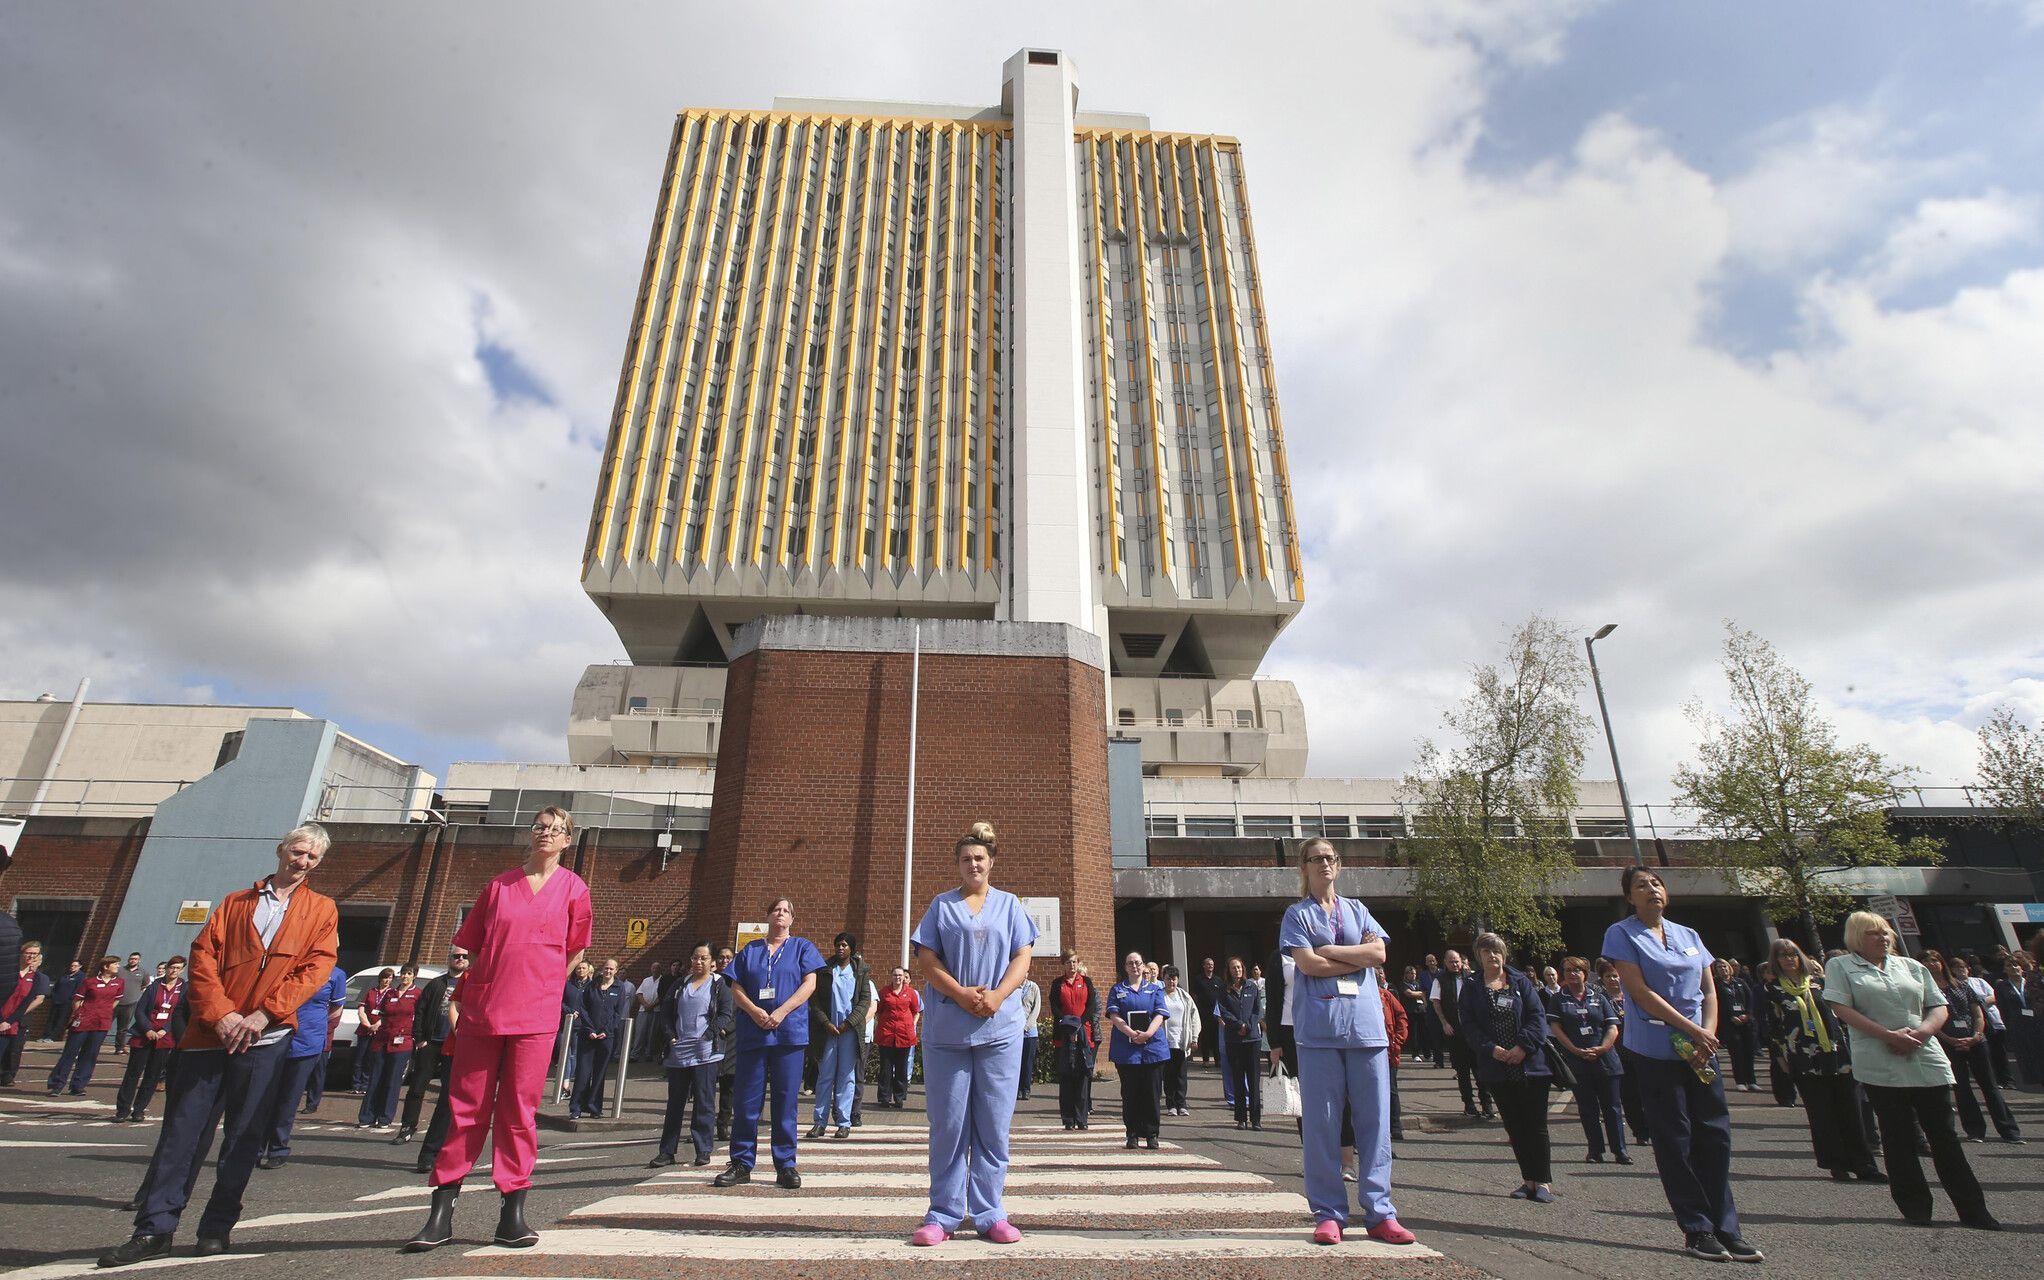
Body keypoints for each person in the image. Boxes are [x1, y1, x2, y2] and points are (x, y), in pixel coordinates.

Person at [97, 824, 341, 1267]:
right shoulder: (235, 902)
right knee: (182, 1136)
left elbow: (315, 969)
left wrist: (263, 1014)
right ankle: (155, 1228)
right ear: (280, 849)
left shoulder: (322, 910)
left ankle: (217, 1226)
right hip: (210, 1035)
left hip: (266, 1037)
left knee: (244, 1137)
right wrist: (223, 1014)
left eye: (312, 857)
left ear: (318, 864)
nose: (302, 861)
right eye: (298, 851)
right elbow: (203, 958)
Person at [403, 806, 592, 1254]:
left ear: (568, 840)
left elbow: (575, 952)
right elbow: (470, 945)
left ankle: (512, 1214)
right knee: (466, 1107)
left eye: (556, 829)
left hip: (536, 1015)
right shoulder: (498, 886)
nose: (546, 833)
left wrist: (548, 988)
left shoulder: (575, 890)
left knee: (518, 1111)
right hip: (486, 1010)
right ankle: (441, 1211)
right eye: (540, 827)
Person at [1603, 866, 1761, 1263]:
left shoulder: (1689, 935)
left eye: (1656, 883)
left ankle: (1728, 1227)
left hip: (1700, 1050)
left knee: (1715, 1135)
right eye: (1642, 885)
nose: (1652, 889)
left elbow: (1709, 989)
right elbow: (1639, 992)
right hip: (1658, 1049)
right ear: (1629, 897)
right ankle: (1697, 1228)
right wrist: (1693, 1029)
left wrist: (1707, 1033)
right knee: (1676, 1138)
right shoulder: (1621, 934)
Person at [906, 821, 1038, 1246]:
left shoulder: (1011, 906)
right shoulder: (941, 906)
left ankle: (989, 1211)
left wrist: (998, 996)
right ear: (958, 865)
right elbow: (927, 958)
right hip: (948, 1028)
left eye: (979, 858)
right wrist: (961, 993)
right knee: (948, 1123)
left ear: (991, 862)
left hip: (999, 1029)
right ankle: (942, 1213)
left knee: (993, 1124)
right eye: (966, 859)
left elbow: (1023, 954)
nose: (973, 864)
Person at [1279, 836, 1415, 1247]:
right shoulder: (1296, 915)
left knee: (1375, 1123)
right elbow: (1308, 963)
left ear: (1338, 865)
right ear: (1302, 868)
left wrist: (1335, 950)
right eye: (1315, 858)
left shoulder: (1359, 910)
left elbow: (1379, 956)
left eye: (1329, 857)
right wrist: (1353, 957)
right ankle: (1329, 1213)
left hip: (1367, 1031)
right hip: (1319, 1035)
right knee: (1321, 1125)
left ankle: (1380, 1212)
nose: (1323, 863)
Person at [1823, 912, 1998, 1230]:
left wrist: (1921, 1033)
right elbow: (1841, 1008)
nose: (1884, 938)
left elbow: (1938, 1005)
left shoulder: (1912, 967)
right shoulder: (1841, 966)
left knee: (1944, 1136)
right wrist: (1888, 1035)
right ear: (1857, 937)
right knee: (1897, 1136)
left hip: (1924, 1056)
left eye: (1886, 932)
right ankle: (1916, 1206)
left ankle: (1973, 1209)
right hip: (1880, 1060)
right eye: (1874, 933)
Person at [712, 897, 824, 1191]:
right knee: (747, 1100)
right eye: (776, 909)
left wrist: (781, 1012)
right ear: (768, 916)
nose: (781, 914)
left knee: (785, 1101)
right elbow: (736, 986)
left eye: (787, 910)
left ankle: (785, 1164)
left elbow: (809, 984)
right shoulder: (750, 950)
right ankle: (741, 1162)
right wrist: (755, 1011)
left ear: (792, 919)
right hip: (754, 1032)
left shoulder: (802, 947)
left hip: (789, 1034)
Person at [1758, 938, 1878, 1181]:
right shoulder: (1772, 990)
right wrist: (1781, 1058)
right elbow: (1773, 1027)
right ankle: (1836, 1163)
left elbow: (1842, 1015)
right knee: (1821, 1113)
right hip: (1803, 1057)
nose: (1789, 959)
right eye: (1783, 955)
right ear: (1776, 960)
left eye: (1793, 954)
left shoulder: (1820, 983)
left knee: (1851, 1110)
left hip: (1836, 1052)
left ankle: (1864, 1163)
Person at [1459, 932, 1554, 1201]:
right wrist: (1492, 1049)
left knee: (1536, 1125)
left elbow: (1537, 1018)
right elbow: (1468, 1024)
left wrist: (1522, 1047)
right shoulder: (1472, 986)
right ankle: (1528, 1180)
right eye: (1486, 951)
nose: (1492, 955)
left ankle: (1544, 1181)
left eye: (1497, 950)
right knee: (1515, 1125)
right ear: (1478, 957)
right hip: (1497, 1066)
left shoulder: (1520, 982)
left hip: (1529, 1063)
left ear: (1504, 954)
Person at [649, 941, 732, 1168]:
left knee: (704, 1102)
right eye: (695, 957)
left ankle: (703, 1149)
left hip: (706, 1051)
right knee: (675, 1103)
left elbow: (726, 1013)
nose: (698, 961)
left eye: (703, 958)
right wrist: (670, 1036)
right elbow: (665, 1013)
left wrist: (710, 1034)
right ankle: (667, 1151)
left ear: (713, 963)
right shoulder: (679, 984)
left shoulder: (718, 985)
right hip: (680, 1050)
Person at [258, 960, 346, 1167]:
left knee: (288, 1099)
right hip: (275, 1036)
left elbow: (336, 1008)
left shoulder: (335, 974)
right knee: (261, 1096)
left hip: (307, 1040)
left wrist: (319, 1028)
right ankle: (254, 1147)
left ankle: (278, 1148)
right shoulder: (287, 964)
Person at [1926, 951, 2021, 1144]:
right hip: (1948, 1042)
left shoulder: (1962, 986)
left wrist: (1977, 1035)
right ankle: (1975, 1130)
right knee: (1961, 1087)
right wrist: (1948, 1038)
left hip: (1976, 1039)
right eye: (1926, 961)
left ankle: (2009, 1130)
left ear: (1942, 962)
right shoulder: (1924, 991)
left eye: (1935, 960)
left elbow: (1977, 1013)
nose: (1931, 964)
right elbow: (1926, 1017)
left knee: (1990, 1086)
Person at [1547, 956, 1627, 1165]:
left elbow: (1612, 1026)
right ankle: (1595, 1150)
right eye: (1567, 970)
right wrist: (1573, 1049)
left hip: (1605, 1059)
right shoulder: (1558, 999)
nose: (1572, 974)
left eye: (1576, 970)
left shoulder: (1598, 997)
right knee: (1588, 1108)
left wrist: (1603, 1048)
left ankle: (1620, 1150)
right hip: (1578, 1060)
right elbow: (1556, 1028)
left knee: (1612, 1107)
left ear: (1585, 973)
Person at [395, 947, 468, 1144]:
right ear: (449, 959)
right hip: (432, 1042)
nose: (460, 959)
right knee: (417, 1087)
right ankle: (407, 1126)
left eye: (464, 956)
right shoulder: (436, 984)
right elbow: (420, 1011)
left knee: (447, 1092)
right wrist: (420, 1039)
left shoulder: (469, 983)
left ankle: (439, 1135)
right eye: (456, 956)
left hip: (453, 1045)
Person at [807, 933, 870, 1140]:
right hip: (828, 1032)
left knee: (846, 1077)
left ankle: (843, 1122)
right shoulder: (825, 970)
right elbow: (814, 1001)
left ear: (852, 948)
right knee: (825, 1076)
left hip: (849, 1032)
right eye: (837, 945)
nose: (840, 948)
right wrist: (825, 1022)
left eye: (844, 945)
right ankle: (820, 1122)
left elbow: (864, 1002)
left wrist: (848, 1023)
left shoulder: (860, 971)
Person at [1106, 951, 1170, 1151]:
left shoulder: (1155, 989)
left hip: (1152, 1048)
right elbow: (1114, 1015)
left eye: (1138, 963)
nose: (1134, 966)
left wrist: (1148, 1034)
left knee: (1152, 1093)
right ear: (1125, 967)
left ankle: (1151, 1134)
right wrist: (1130, 1033)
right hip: (1127, 1050)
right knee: (1130, 1093)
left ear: (1144, 967)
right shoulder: (1117, 989)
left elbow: (1160, 1014)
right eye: (1130, 963)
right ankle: (1132, 1134)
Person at [113, 956, 187, 1123]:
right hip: (144, 1035)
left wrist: (165, 1029)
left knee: (152, 1076)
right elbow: (140, 1010)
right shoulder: (155, 986)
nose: (173, 971)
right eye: (171, 967)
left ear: (182, 970)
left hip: (165, 1037)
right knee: (133, 1073)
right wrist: (147, 1029)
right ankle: (123, 1109)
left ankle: (139, 1109)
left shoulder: (184, 989)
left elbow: (180, 1012)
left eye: (177, 968)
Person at [48, 954, 125, 1094]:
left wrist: (105, 1011)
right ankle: (57, 1084)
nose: (118, 966)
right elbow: (77, 1000)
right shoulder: (90, 982)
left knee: (90, 1054)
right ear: (106, 966)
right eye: (115, 964)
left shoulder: (119, 982)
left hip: (102, 1022)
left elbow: (116, 1000)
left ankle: (78, 1085)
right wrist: (81, 1013)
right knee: (70, 1052)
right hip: (84, 1020)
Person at [569, 958, 634, 1120]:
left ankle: (594, 1107)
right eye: (606, 968)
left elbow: (618, 1013)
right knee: (583, 1073)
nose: (608, 971)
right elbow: (583, 1008)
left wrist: (606, 1030)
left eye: (612, 969)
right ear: (601, 969)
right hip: (588, 1035)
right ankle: (576, 1107)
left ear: (616, 971)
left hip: (607, 1037)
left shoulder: (619, 988)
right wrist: (590, 1029)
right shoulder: (592, 985)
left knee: (599, 1074)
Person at [1430, 949, 1491, 1119]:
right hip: (1455, 1031)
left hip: (1474, 1031)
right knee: (1462, 1071)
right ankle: (1469, 1105)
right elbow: (1436, 1002)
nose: (1455, 965)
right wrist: (1444, 1023)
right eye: (1451, 962)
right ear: (1445, 963)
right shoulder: (1440, 980)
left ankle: (1487, 1104)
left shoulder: (1472, 978)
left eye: (1457, 961)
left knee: (1480, 1070)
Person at [359, 964, 421, 1128]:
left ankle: (385, 1118)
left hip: (402, 1042)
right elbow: (381, 1014)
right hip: (382, 1040)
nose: (405, 976)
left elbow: (420, 1017)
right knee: (375, 1079)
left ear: (414, 976)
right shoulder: (390, 993)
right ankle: (367, 1117)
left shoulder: (416, 994)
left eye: (409, 974)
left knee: (392, 1081)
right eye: (403, 973)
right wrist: (374, 1025)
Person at [1599, 962, 1649, 1144]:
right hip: (1618, 1053)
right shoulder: (1600, 999)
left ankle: (1653, 1127)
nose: (1613, 979)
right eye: (1608, 976)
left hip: (1641, 1049)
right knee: (1629, 1096)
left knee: (1648, 1092)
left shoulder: (1632, 995)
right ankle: (1640, 1132)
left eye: (1615, 975)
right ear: (1602, 980)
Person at [1049, 951, 1099, 1130]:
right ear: (1064, 964)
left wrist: (1078, 1025)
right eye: (1069, 962)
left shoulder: (1086, 982)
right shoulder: (1057, 984)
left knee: (1083, 1077)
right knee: (1066, 1077)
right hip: (1063, 1035)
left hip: (1084, 1035)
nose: (1072, 965)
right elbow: (1055, 1007)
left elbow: (1091, 1006)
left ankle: (1081, 1118)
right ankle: (1068, 1119)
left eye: (1075, 962)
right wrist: (1068, 1026)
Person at [1214, 956, 1263, 1128]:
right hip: (1234, 1039)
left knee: (1254, 1080)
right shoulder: (1223, 989)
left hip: (1252, 1039)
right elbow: (1223, 1010)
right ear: (1229, 970)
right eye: (1234, 968)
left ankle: (1256, 1119)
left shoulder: (1252, 986)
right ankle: (1241, 1118)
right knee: (1238, 1079)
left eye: (1239, 967)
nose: (1237, 970)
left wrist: (1248, 1026)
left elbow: (1258, 1010)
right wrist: (1238, 1025)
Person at [0, 939, 51, 1086]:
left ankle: (7, 1076)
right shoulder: (8, 974)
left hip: (18, 1020)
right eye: (28, 953)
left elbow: (35, 999)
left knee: (14, 1050)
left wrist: (11, 1019)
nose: (31, 956)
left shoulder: (38, 978)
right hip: (2, 1015)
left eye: (35, 954)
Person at [1994, 954, 2044, 1089]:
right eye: (2009, 965)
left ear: (2022, 968)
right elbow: (2002, 1009)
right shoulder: (2002, 986)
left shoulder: (2031, 982)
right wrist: (2009, 1026)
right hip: (2018, 1025)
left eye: (2016, 965)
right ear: (2005, 969)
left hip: (2038, 1023)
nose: (2014, 967)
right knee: (2029, 1055)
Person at [874, 966, 922, 1108]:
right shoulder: (884, 992)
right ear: (891, 976)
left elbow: (916, 1011)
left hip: (904, 1035)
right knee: (886, 1067)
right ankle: (884, 1097)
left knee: (901, 1068)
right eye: (895, 975)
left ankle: (899, 1097)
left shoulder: (911, 993)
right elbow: (878, 1010)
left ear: (904, 977)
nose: (898, 978)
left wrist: (911, 1025)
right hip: (887, 1035)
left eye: (900, 975)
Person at [1158, 965, 1200, 1116]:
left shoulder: (1184, 996)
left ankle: (1182, 1104)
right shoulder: (1159, 995)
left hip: (1182, 1041)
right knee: (1168, 1075)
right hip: (1165, 1041)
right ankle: (1171, 1105)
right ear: (1163, 980)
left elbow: (1194, 1017)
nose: (1171, 982)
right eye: (1168, 979)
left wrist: (1194, 1037)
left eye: (1174, 979)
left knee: (1181, 1075)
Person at [1715, 959, 1759, 1092]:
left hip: (1746, 1021)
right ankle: (1740, 1080)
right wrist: (1730, 1016)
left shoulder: (1740, 982)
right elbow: (1716, 1004)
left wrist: (1748, 1014)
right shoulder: (1716, 985)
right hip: (1730, 1023)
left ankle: (1751, 1080)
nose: (1723, 969)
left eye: (1725, 966)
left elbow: (1750, 999)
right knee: (1736, 1052)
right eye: (1720, 967)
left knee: (1749, 1051)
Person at [1377, 966, 1407, 1140]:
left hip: (1389, 1051)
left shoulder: (1386, 995)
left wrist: (1398, 1040)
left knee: (1391, 1090)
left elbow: (1401, 1016)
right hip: (1368, 1052)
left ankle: (1395, 1126)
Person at [353, 969, 394, 1094]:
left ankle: (366, 1084)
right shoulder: (371, 991)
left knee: (371, 1059)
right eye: (385, 977)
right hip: (365, 1029)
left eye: (390, 978)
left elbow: (390, 1012)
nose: (387, 980)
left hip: (379, 1030)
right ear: (380, 978)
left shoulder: (392, 993)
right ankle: (356, 1084)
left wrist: (376, 1025)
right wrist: (367, 1024)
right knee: (359, 1057)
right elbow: (361, 1008)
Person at [632, 958, 665, 1062]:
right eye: (653, 967)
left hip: (656, 1010)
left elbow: (663, 995)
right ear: (651, 969)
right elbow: (639, 993)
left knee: (652, 1034)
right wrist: (645, 1005)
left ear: (660, 969)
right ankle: (635, 1054)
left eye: (657, 968)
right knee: (639, 1033)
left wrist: (653, 1005)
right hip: (643, 1010)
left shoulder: (663, 980)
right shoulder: (646, 980)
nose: (655, 969)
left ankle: (648, 1054)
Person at [1016, 971, 1043, 1101]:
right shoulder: (1013, 987)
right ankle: (1016, 1089)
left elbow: (1036, 1009)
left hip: (1029, 1032)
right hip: (1014, 1032)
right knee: (1016, 1062)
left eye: (1026, 972)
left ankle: (1026, 1089)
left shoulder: (1033, 987)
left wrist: (1026, 1026)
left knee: (1027, 1062)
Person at [111, 952, 144, 1054]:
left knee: (123, 1028)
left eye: (135, 959)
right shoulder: (119, 970)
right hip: (114, 1002)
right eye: (131, 958)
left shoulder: (143, 972)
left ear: (139, 960)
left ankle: (119, 1048)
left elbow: (145, 985)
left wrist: (135, 995)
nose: (132, 960)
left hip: (130, 1004)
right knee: (105, 1024)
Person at [1190, 957, 1221, 1065]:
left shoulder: (1218, 980)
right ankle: (1206, 1060)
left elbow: (1222, 996)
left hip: (1216, 1013)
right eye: (1208, 964)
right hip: (1203, 1013)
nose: (1210, 966)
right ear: (1204, 966)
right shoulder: (1199, 979)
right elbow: (1194, 995)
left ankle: (1218, 1060)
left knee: (1217, 1037)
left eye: (1212, 964)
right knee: (1205, 1037)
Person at [43, 959, 84, 1041]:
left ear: (80, 967)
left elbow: (78, 989)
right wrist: (53, 996)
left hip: (67, 1002)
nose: (72, 967)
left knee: (60, 1019)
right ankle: (45, 1036)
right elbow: (56, 986)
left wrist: (71, 998)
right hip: (56, 1000)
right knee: (51, 1019)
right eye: (72, 966)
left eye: (75, 966)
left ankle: (53, 1037)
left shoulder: (80, 976)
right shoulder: (65, 975)